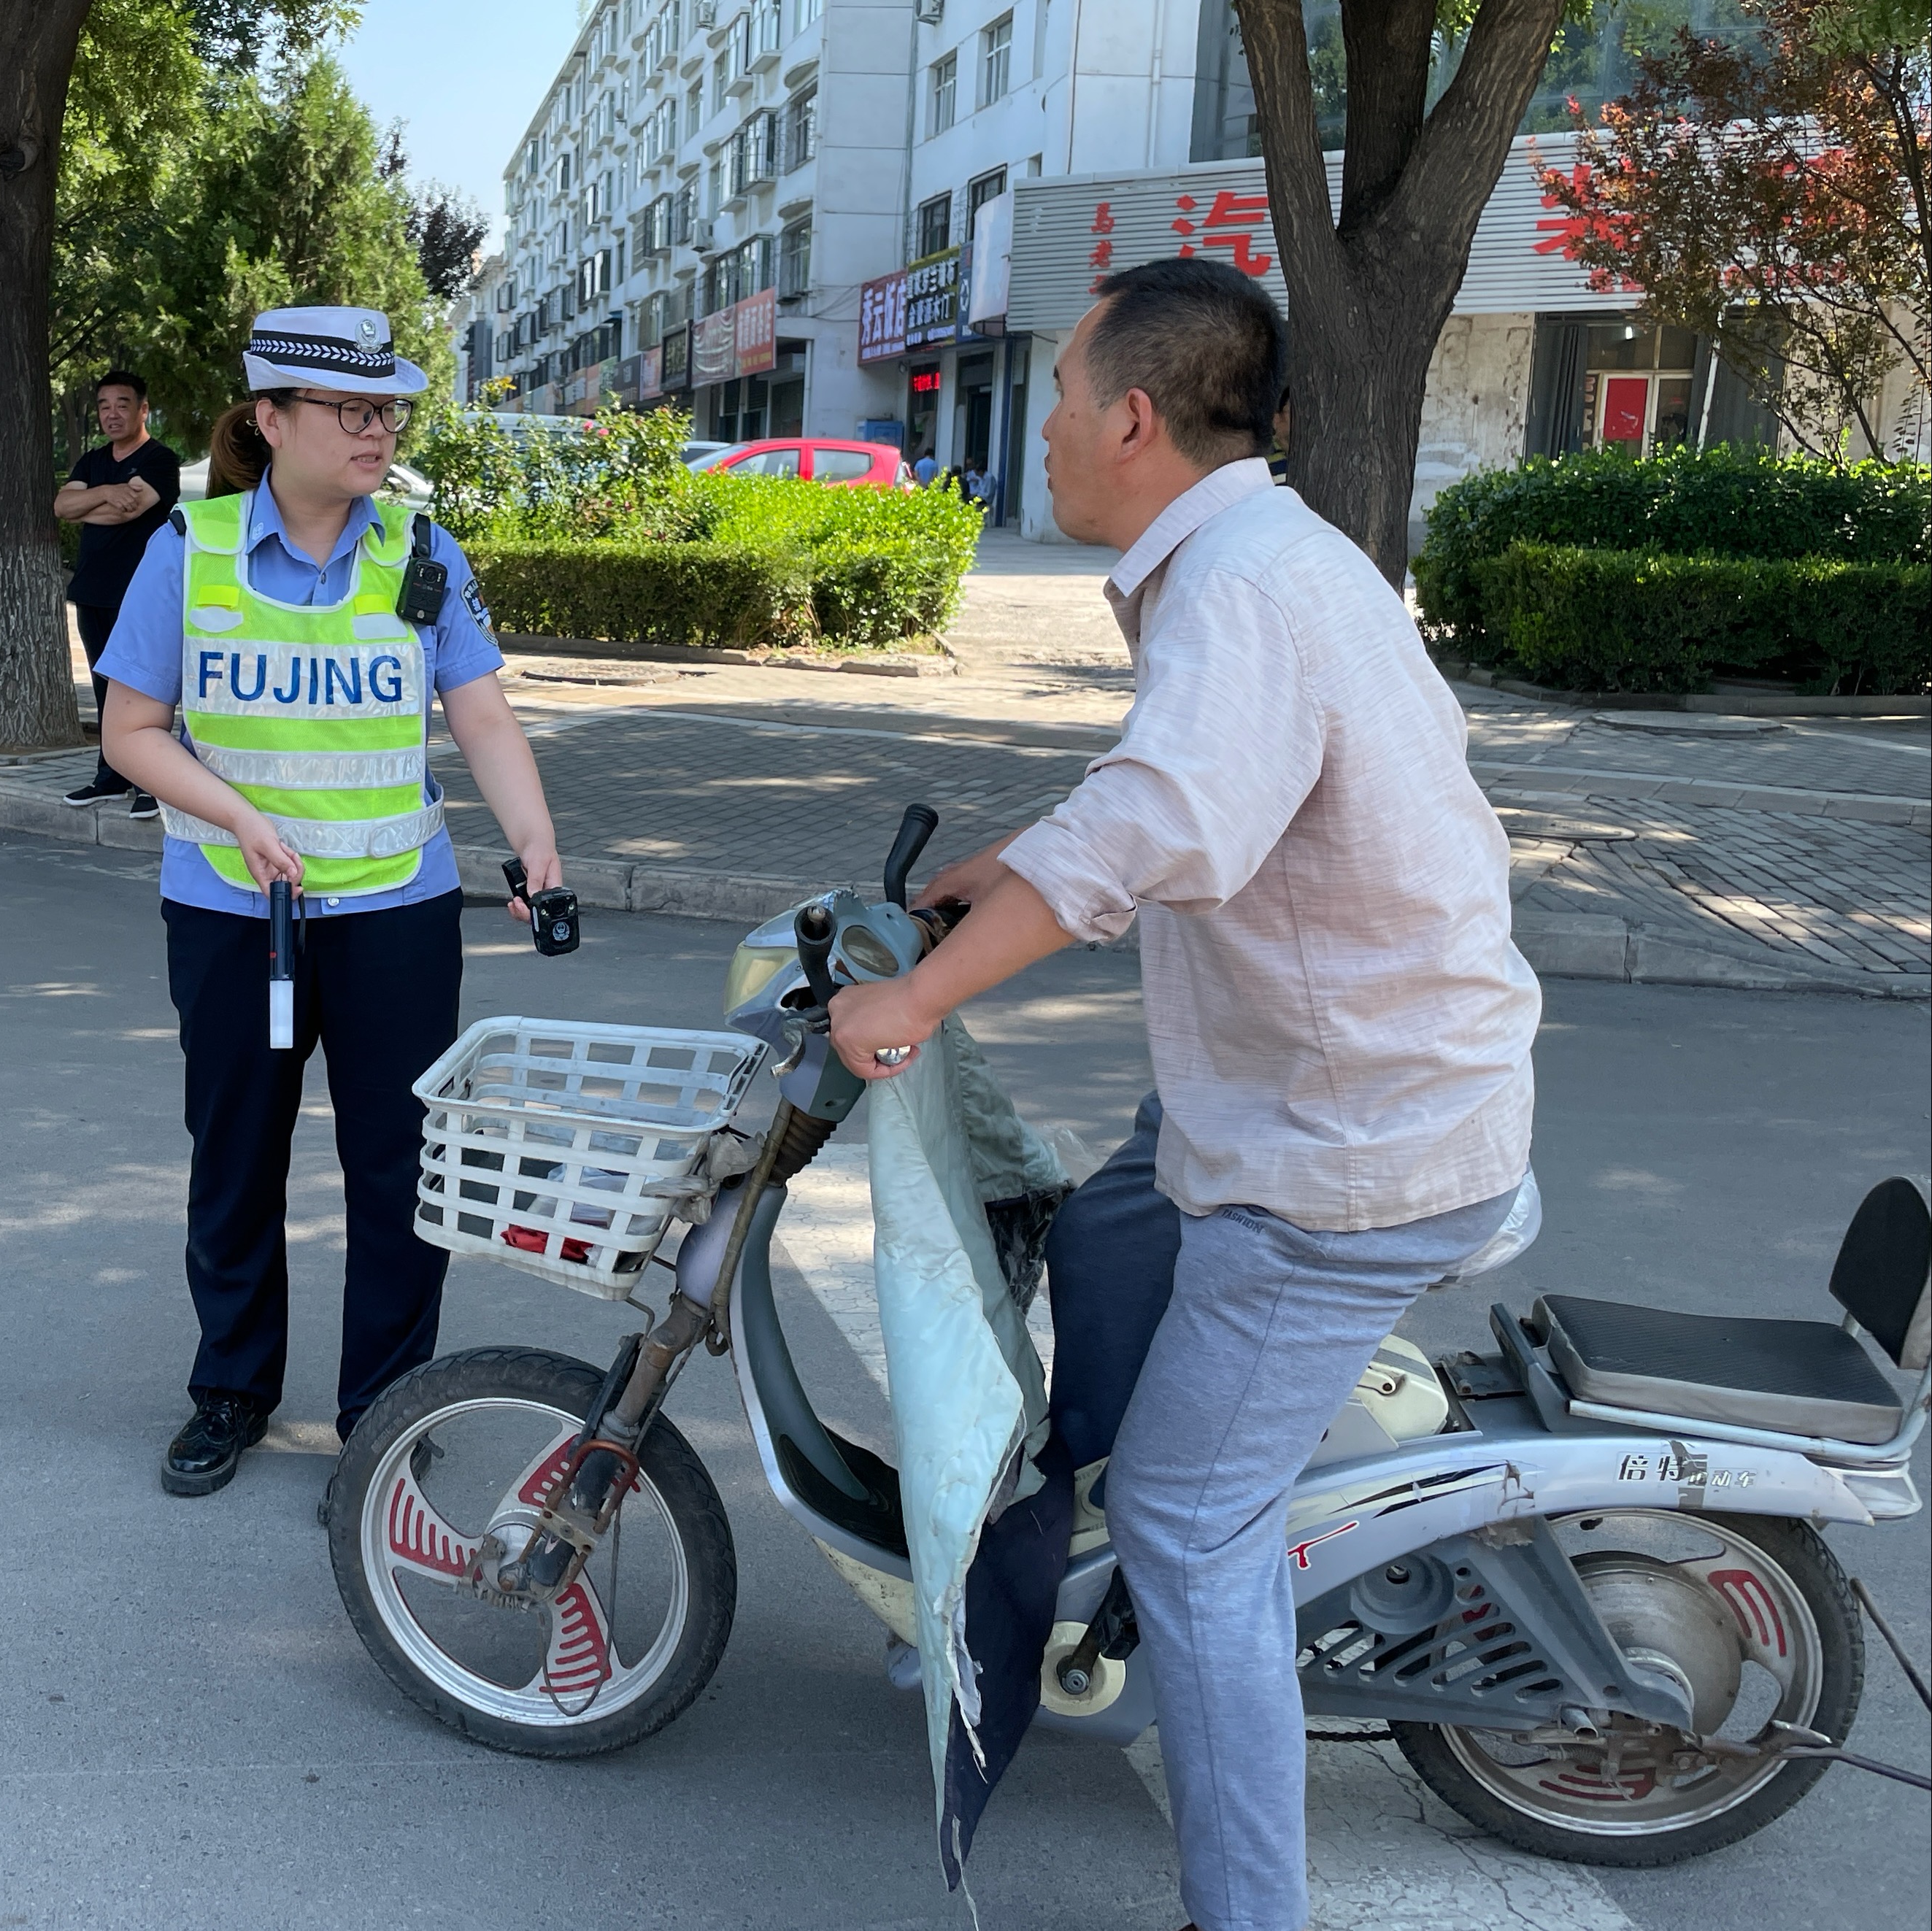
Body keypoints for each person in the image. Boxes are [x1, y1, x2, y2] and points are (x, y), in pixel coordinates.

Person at [824, 257, 1538, 1931]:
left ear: (1130, 417)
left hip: (1335, 1153)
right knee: (1107, 1236)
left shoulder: (1238, 590)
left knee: (1186, 1524)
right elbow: (1160, 794)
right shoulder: (1244, 557)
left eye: (1061, 402)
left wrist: (912, 998)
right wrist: (986, 869)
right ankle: (1025, 1564)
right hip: (1281, 1102)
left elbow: (1146, 836)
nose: (1046, 435)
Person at [96, 306, 565, 1500]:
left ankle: (387, 1413)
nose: (378, 426)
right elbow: (131, 734)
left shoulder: (420, 549)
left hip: (394, 916)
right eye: (350, 408)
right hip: (231, 912)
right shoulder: (188, 551)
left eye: (387, 406)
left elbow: (481, 714)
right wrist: (240, 816)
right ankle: (231, 1390)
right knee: (237, 1154)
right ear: (271, 419)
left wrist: (533, 838)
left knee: (402, 1169)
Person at [53, 369, 182, 821]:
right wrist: (105, 493)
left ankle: (153, 782)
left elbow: (128, 512)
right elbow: (62, 507)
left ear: (143, 409)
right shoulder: (92, 462)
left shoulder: (160, 460)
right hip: (93, 590)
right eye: (104, 405)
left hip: (141, 593)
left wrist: (90, 506)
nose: (112, 414)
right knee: (105, 686)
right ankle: (111, 776)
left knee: (147, 688)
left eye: (122, 404)